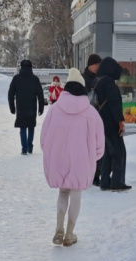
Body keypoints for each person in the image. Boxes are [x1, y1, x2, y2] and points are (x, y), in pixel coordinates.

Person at [40, 68, 105, 246]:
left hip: (59, 159)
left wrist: (50, 154)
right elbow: (100, 144)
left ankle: (58, 228)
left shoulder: (54, 110)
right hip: (82, 161)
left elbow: (44, 138)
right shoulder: (91, 113)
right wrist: (93, 157)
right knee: (76, 193)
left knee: (63, 191)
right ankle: (70, 233)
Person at [93, 57, 131, 191]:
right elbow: (115, 105)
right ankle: (116, 182)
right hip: (111, 123)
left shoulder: (99, 82)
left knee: (108, 153)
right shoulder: (109, 83)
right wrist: (120, 122)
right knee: (119, 152)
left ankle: (104, 182)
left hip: (102, 123)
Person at [8, 59, 45, 155]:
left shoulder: (16, 79)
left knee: (23, 127)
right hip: (32, 107)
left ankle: (24, 148)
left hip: (21, 107)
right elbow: (40, 95)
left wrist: (12, 107)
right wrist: (41, 108)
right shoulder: (35, 79)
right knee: (31, 127)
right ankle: (30, 146)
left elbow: (10, 94)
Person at [82, 53, 102, 185]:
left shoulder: (99, 79)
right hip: (85, 118)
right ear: (91, 65)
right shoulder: (83, 79)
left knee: (96, 147)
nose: (98, 67)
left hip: (98, 116)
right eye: (96, 65)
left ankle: (96, 175)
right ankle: (87, 173)